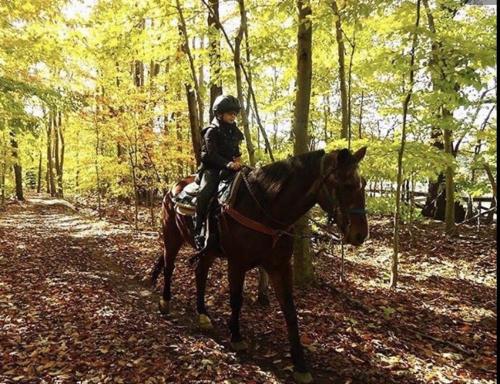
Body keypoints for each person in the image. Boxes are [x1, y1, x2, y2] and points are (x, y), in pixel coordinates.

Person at [194, 95, 245, 251]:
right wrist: (228, 164)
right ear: (219, 114)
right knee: (205, 193)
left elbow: (237, 153)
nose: (233, 116)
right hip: (212, 169)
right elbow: (211, 155)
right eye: (230, 113)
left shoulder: (235, 132)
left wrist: (239, 163)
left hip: (230, 169)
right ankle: (199, 230)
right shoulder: (211, 131)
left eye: (235, 114)